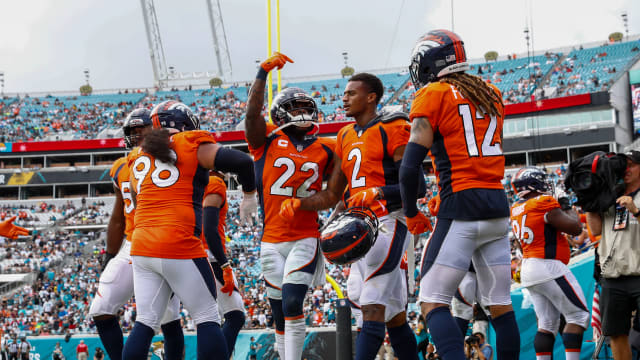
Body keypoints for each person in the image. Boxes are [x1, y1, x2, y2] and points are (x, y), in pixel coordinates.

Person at [280, 72, 420, 360]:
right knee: (391, 313)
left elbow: (417, 185)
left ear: (371, 97)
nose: (344, 98)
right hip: (358, 223)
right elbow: (333, 194)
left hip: (388, 220)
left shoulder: (393, 127)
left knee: (371, 302)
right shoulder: (344, 135)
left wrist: (379, 192)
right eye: (343, 94)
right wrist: (300, 204)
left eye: (351, 93)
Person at [400, 29, 520, 360]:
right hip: (497, 205)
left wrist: (411, 212)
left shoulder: (434, 94)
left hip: (462, 207)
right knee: (500, 304)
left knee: (432, 299)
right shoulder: (491, 92)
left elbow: (409, 168)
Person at [121, 100, 257, 359]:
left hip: (142, 246)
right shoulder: (190, 143)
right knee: (207, 316)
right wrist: (249, 194)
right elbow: (243, 162)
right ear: (184, 124)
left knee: (146, 321)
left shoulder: (136, 156)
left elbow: (139, 201)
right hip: (178, 242)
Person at [244, 52, 335, 360]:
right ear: (280, 114)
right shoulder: (266, 140)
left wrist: (302, 203)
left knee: (294, 302)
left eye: (305, 108)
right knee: (280, 313)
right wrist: (262, 74)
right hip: (271, 242)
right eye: (294, 109)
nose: (301, 113)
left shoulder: (327, 148)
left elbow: (331, 195)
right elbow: (251, 115)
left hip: (305, 237)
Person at [88, 108, 183, 360]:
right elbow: (118, 215)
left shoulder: (172, 159)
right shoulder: (122, 166)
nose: (139, 136)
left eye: (144, 131)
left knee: (168, 317)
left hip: (163, 242)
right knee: (101, 309)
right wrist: (109, 253)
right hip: (132, 243)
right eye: (134, 132)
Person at [511, 167, 588, 360]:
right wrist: (565, 203)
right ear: (533, 184)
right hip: (547, 266)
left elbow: (521, 246)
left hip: (528, 265)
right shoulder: (542, 202)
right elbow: (576, 228)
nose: (547, 185)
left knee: (547, 323)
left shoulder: (515, 207)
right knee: (578, 316)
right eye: (542, 181)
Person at [587, 150, 640, 360]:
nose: (625, 169)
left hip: (638, 273)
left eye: (631, 164)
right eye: (622, 165)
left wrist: (635, 210)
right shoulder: (609, 194)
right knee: (616, 334)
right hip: (613, 275)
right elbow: (596, 229)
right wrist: (590, 204)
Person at [200, 171, 246, 357]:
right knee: (235, 315)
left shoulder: (192, 181)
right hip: (208, 255)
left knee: (170, 321)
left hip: (183, 253)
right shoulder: (214, 182)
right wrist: (225, 265)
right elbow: (210, 231)